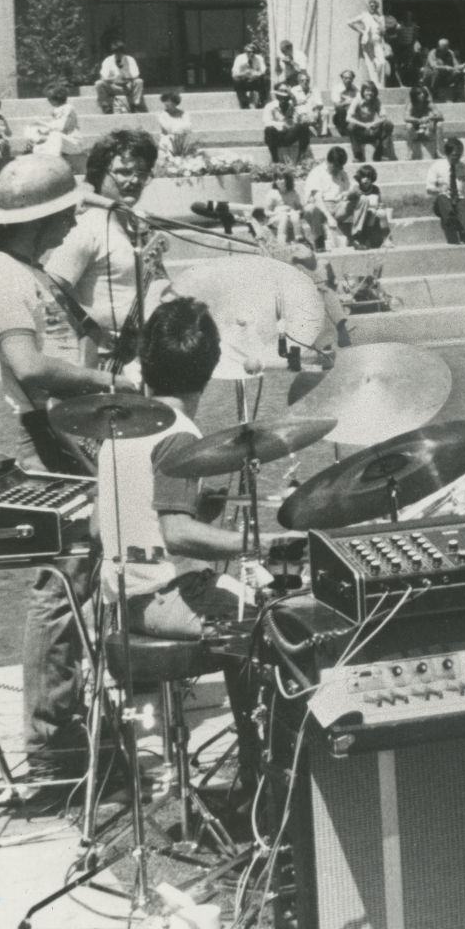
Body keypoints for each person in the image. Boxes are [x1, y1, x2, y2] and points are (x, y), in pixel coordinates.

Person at [0, 157, 138, 796]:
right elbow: (29, 365)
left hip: (68, 432)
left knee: (80, 580)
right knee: (61, 587)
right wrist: (111, 381)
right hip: (48, 436)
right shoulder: (3, 279)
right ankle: (54, 750)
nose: (76, 217)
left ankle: (70, 726)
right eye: (67, 209)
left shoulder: (31, 271)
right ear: (38, 217)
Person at [97, 296, 284, 790]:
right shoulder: (178, 436)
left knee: (251, 605)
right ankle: (264, 773)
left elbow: (104, 527)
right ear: (208, 370)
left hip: (122, 600)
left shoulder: (121, 422)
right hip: (163, 599)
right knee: (278, 620)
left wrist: (209, 501)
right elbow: (176, 531)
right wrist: (258, 545)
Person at [46, 127, 172, 366]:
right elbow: (50, 289)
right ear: (99, 173)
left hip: (143, 360)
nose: (134, 180)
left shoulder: (139, 226)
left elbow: (158, 284)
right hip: (103, 362)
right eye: (124, 172)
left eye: (142, 173)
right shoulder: (86, 225)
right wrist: (93, 328)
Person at [301, 146, 355, 252]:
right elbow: (317, 199)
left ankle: (357, 236)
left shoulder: (342, 173)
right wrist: (329, 217)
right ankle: (319, 241)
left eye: (341, 166)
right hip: (321, 208)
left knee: (359, 201)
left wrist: (348, 194)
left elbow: (348, 190)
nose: (339, 169)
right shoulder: (317, 173)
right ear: (329, 162)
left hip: (338, 206)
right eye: (337, 166)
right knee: (311, 209)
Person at [426, 136, 465, 247]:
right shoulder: (437, 166)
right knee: (443, 200)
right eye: (454, 155)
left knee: (463, 205)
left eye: (459, 155)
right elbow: (429, 189)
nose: (457, 158)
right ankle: (452, 220)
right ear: (447, 154)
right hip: (443, 200)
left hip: (459, 199)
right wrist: (440, 189)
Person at [25, 82, 84, 159]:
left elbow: (60, 128)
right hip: (63, 141)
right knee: (32, 130)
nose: (48, 101)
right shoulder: (57, 110)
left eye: (49, 99)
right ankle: (36, 156)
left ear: (55, 99)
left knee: (54, 135)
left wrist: (40, 122)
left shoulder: (68, 108)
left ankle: (53, 159)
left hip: (74, 143)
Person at [263, 85, 314, 166]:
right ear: (277, 97)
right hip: (276, 136)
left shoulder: (292, 106)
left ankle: (301, 159)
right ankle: (275, 160)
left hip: (288, 135)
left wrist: (301, 117)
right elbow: (266, 122)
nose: (283, 100)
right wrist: (282, 125)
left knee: (304, 127)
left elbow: (300, 120)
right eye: (281, 97)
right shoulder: (270, 106)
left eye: (286, 98)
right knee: (269, 130)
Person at [346, 80, 396, 162]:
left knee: (388, 124)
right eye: (367, 91)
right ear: (363, 91)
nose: (370, 93)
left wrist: (373, 123)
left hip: (372, 129)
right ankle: (358, 155)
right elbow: (348, 118)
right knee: (350, 126)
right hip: (360, 131)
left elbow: (384, 117)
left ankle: (383, 153)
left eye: (372, 91)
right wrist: (363, 125)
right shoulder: (357, 100)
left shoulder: (376, 100)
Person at [346, 164, 393, 249]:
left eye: (368, 178)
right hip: (360, 217)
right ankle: (365, 239)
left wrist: (380, 206)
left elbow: (379, 202)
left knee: (382, 213)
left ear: (372, 179)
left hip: (373, 216)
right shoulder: (356, 189)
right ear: (359, 178)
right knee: (372, 212)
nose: (366, 180)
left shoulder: (375, 189)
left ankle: (386, 239)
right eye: (363, 177)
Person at [347, 0, 390, 87]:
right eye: (371, 6)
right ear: (368, 7)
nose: (372, 7)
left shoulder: (380, 17)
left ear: (376, 7)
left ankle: (378, 81)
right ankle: (376, 84)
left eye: (374, 6)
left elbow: (384, 31)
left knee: (381, 63)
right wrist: (361, 31)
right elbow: (349, 22)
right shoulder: (364, 15)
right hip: (367, 42)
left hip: (377, 41)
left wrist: (379, 21)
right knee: (370, 64)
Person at [95, 41, 145, 114]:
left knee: (139, 81)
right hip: (113, 86)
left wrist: (126, 77)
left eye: (119, 52)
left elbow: (136, 75)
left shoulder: (130, 59)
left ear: (123, 52)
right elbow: (102, 78)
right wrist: (113, 78)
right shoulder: (108, 60)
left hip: (127, 86)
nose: (118, 54)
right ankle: (105, 106)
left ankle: (135, 105)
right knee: (98, 83)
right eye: (116, 52)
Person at [402, 83, 444, 160]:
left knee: (439, 124)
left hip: (428, 131)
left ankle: (439, 151)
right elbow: (406, 117)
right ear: (414, 95)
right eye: (419, 94)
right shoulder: (411, 105)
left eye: (423, 93)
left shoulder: (429, 104)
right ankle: (409, 152)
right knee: (408, 126)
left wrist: (428, 117)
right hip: (416, 132)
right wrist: (418, 120)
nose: (422, 95)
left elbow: (440, 116)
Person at [154, 90, 197, 165]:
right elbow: (168, 129)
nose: (166, 103)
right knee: (170, 140)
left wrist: (178, 128)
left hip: (182, 138)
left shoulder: (184, 113)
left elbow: (188, 127)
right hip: (167, 140)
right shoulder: (162, 115)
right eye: (164, 101)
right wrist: (180, 127)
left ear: (174, 102)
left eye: (168, 101)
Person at [230, 42, 270, 109]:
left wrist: (255, 74)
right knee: (236, 80)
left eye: (253, 52)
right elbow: (234, 73)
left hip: (255, 79)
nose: (251, 54)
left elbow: (263, 70)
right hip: (244, 80)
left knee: (266, 79)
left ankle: (262, 101)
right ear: (245, 52)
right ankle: (244, 102)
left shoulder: (259, 58)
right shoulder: (240, 58)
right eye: (249, 52)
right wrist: (244, 73)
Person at [329, 69, 361, 141]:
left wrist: (352, 103)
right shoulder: (336, 88)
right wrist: (347, 102)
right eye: (345, 78)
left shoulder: (358, 88)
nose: (348, 80)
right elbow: (337, 105)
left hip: (353, 112)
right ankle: (343, 131)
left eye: (350, 78)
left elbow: (361, 102)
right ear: (342, 78)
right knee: (341, 110)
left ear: (353, 79)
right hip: (340, 115)